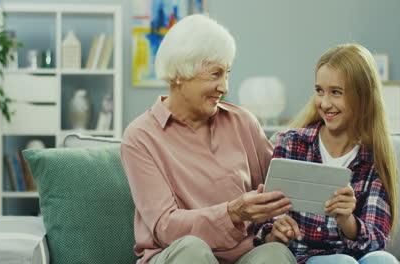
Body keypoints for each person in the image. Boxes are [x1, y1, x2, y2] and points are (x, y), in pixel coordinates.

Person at [121, 14, 296, 264]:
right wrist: (232, 212)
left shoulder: (243, 123)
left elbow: (277, 193)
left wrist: (276, 225)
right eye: (215, 74)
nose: (224, 87)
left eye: (227, 74)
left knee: (275, 254)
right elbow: (166, 228)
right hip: (178, 254)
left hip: (243, 254)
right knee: (192, 249)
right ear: (180, 73)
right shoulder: (140, 138)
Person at [253, 44, 399, 264]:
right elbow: (263, 223)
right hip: (306, 257)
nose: (325, 103)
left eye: (336, 92)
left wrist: (347, 220)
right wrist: (276, 232)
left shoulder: (374, 159)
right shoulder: (292, 144)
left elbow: (377, 240)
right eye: (320, 91)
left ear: (362, 97)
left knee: (383, 260)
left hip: (356, 256)